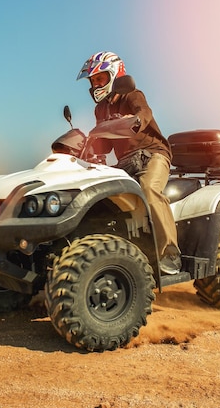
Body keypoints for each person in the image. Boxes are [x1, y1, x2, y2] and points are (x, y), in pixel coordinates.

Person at [77, 51, 181, 274]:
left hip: (153, 155)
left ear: (114, 75)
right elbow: (104, 146)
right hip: (126, 162)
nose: (96, 84)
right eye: (93, 80)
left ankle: (169, 254)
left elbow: (143, 112)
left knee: (148, 190)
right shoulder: (100, 109)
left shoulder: (131, 95)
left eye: (100, 78)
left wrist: (135, 120)